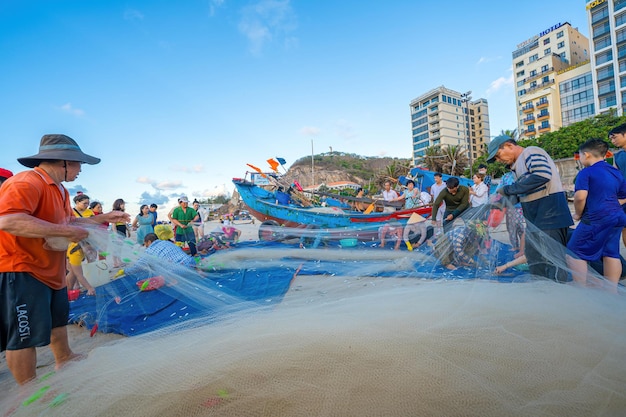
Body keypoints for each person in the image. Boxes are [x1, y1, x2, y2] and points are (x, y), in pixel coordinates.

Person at [0, 134, 129, 385]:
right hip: (21, 267)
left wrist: (104, 218)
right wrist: (67, 232)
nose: (81, 169)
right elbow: (8, 220)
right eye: (79, 163)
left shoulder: (59, 190)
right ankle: (28, 388)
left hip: (51, 268)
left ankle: (65, 358)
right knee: (23, 334)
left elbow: (69, 221)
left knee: (57, 318)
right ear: (64, 161)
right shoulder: (26, 182)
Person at [487, 134, 573, 282]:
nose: (498, 160)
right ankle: (541, 291)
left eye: (498, 155)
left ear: (509, 145)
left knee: (553, 260)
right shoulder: (516, 167)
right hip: (535, 217)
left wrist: (508, 190)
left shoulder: (531, 152)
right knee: (535, 258)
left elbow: (542, 175)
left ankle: (559, 295)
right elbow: (525, 191)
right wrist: (501, 203)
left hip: (550, 213)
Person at [566, 139, 626, 289]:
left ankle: (581, 290)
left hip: (596, 218)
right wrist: (610, 206)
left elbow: (580, 197)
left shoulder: (586, 172)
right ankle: (611, 291)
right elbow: (623, 196)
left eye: (579, 156)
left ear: (586, 155)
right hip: (617, 217)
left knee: (574, 251)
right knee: (611, 252)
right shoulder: (615, 172)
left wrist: (578, 214)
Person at [123, 232, 196, 277]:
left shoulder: (149, 251)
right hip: (191, 262)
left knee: (163, 274)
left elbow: (138, 266)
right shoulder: (167, 242)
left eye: (145, 244)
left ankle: (174, 280)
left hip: (178, 270)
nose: (146, 247)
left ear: (148, 242)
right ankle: (197, 271)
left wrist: (125, 271)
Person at [66, 194, 96, 296]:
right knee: (74, 271)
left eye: (88, 203)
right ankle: (68, 291)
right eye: (84, 203)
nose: (87, 205)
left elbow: (94, 225)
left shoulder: (89, 212)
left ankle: (69, 291)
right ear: (77, 202)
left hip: (86, 241)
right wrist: (90, 288)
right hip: (74, 243)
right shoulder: (71, 212)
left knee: (74, 272)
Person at [608, 122, 626, 247]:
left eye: (614, 137)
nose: (613, 141)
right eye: (611, 139)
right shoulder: (618, 156)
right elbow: (615, 177)